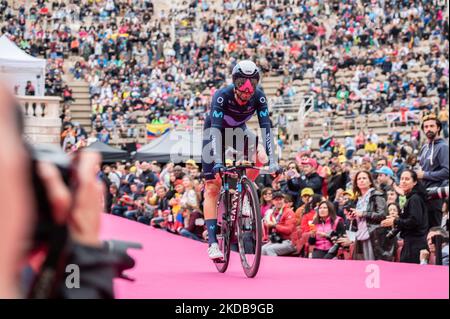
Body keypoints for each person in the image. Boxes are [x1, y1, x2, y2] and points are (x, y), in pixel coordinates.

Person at [201, 60, 279, 260]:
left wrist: (272, 160)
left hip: (238, 132)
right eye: (242, 83)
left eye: (252, 83)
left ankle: (245, 192)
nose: (247, 89)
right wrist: (218, 161)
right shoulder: (221, 96)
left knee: (260, 156)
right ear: (235, 82)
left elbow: (265, 128)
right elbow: (216, 131)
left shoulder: (259, 97)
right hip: (215, 133)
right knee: (211, 186)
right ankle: (212, 243)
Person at [381, 170, 429, 264]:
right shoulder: (411, 198)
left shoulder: (415, 199)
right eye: (402, 179)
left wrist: (395, 221)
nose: (403, 181)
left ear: (414, 182)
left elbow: (414, 221)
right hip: (410, 244)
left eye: (407, 179)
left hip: (415, 245)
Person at [417, 113, 449, 228]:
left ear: (438, 128)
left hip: (437, 195)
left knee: (435, 232)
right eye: (426, 127)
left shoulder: (443, 147)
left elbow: (447, 172)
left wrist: (425, 175)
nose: (428, 129)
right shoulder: (425, 147)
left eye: (432, 126)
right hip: (425, 194)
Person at [347, 171, 387, 260]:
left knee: (372, 264)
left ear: (370, 182)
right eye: (359, 179)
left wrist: (363, 213)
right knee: (361, 266)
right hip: (361, 234)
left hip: (374, 235)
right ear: (356, 183)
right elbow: (360, 218)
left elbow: (382, 215)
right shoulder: (358, 199)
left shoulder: (377, 196)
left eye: (364, 178)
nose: (361, 180)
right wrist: (353, 218)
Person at [261, 192, 296, 256]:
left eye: (280, 199)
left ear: (283, 200)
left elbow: (289, 230)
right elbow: (269, 229)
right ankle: (266, 266)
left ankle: (276, 265)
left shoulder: (289, 212)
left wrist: (274, 225)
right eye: (276, 200)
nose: (279, 201)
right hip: (278, 239)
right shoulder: (272, 212)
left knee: (269, 249)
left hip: (289, 241)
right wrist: (267, 225)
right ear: (272, 202)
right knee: (262, 249)